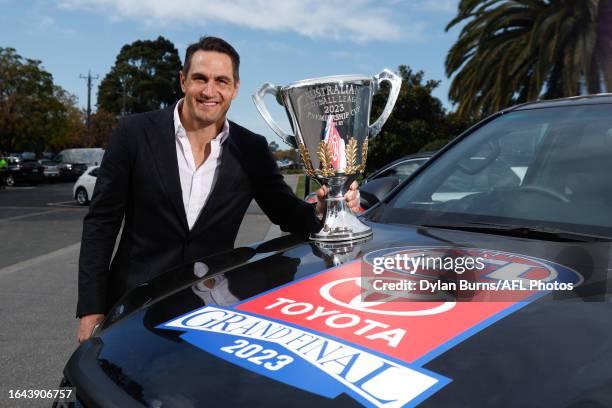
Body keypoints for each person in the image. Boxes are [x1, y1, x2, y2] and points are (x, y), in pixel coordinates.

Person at [76, 36, 360, 343]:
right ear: (183, 81)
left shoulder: (251, 148)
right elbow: (101, 224)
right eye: (201, 78)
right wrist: (91, 309)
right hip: (133, 306)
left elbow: (286, 213)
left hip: (210, 309)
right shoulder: (132, 133)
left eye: (221, 81)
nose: (210, 91)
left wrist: (324, 208)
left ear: (235, 88)